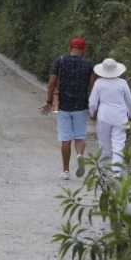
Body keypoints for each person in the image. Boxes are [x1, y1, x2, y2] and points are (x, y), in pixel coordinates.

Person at [41, 37, 95, 180]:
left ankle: (65, 171)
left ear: (70, 48)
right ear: (83, 49)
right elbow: (92, 86)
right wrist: (92, 103)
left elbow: (52, 82)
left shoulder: (60, 61)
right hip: (81, 105)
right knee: (80, 136)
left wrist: (49, 101)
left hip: (64, 105)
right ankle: (79, 155)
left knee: (65, 139)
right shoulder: (89, 64)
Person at [89, 58, 131, 178]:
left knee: (104, 145)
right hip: (120, 117)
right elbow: (130, 102)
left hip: (104, 116)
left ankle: (103, 171)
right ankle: (117, 172)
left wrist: (92, 113)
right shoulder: (122, 83)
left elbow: (93, 103)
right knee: (119, 144)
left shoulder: (99, 83)